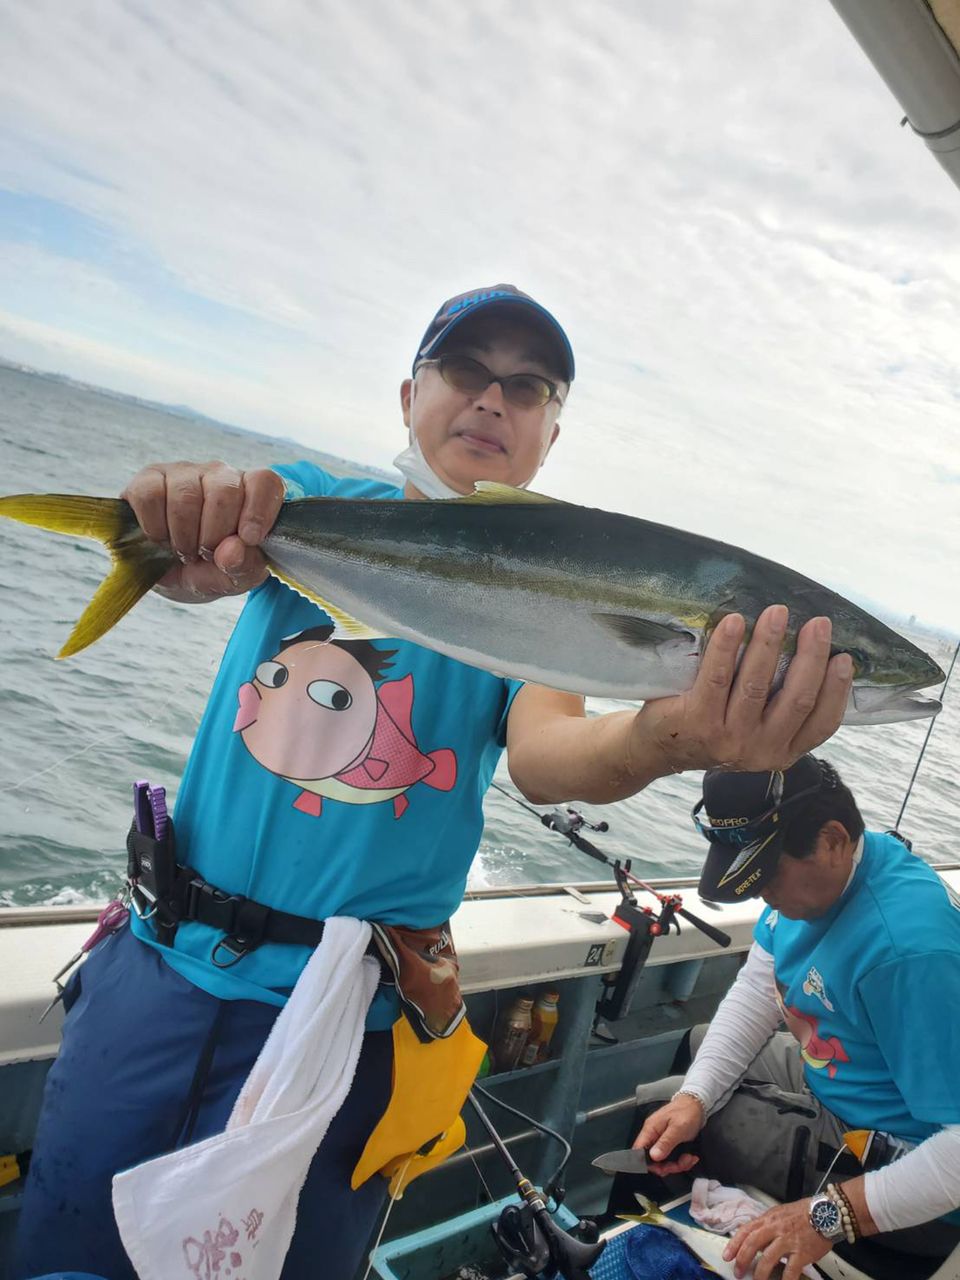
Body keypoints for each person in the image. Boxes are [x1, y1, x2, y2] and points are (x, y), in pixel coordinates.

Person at [12, 285, 853, 1280]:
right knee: (64, 1251)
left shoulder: (555, 597)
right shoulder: (313, 507)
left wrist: (673, 735)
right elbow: (219, 557)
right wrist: (183, 529)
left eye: (527, 385)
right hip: (159, 973)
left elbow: (551, 756)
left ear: (549, 435)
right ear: (409, 393)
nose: (493, 399)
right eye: (466, 370)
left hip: (351, 1024)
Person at [631, 755, 960, 1280]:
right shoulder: (826, 874)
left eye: (765, 875)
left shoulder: (908, 954)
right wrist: (695, 1097)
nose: (759, 893)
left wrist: (829, 1216)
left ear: (832, 840)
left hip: (911, 1165)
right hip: (842, 1074)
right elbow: (760, 984)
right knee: (692, 1067)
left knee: (654, 1111)